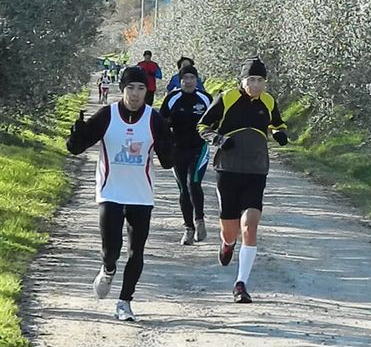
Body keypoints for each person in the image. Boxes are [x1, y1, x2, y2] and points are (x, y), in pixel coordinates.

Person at [66, 67, 174, 321]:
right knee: (111, 250)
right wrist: (76, 135)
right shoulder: (108, 115)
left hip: (141, 195)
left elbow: (168, 162)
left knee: (137, 251)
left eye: (140, 89)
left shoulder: (154, 118)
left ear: (147, 91)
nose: (135, 94)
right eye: (130, 88)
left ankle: (125, 302)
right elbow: (77, 148)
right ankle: (108, 268)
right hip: (110, 192)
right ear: (122, 90)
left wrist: (170, 142)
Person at [198, 57, 288, 304]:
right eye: (251, 80)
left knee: (250, 224)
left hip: (257, 170)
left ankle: (241, 284)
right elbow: (203, 125)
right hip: (228, 169)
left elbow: (277, 122)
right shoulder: (227, 98)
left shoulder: (268, 101)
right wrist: (219, 139)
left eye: (260, 80)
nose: (256, 85)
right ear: (242, 80)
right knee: (231, 230)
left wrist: (279, 133)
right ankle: (227, 244)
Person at [159, 65, 212, 245]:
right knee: (183, 188)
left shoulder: (205, 98)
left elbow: (216, 121)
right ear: (180, 81)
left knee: (194, 182)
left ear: (197, 80)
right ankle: (188, 228)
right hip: (178, 149)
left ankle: (200, 220)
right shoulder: (172, 99)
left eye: (192, 78)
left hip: (199, 148)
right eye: (185, 79)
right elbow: (161, 123)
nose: (188, 82)